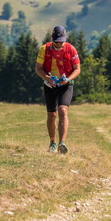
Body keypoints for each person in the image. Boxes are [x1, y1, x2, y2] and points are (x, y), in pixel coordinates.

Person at [35, 26, 81, 154]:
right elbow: (38, 68)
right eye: (56, 42)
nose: (59, 44)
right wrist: (47, 78)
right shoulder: (44, 49)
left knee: (63, 110)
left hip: (66, 84)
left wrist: (68, 79)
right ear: (52, 38)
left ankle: (62, 143)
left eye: (61, 42)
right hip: (50, 85)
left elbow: (77, 69)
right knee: (52, 114)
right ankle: (52, 142)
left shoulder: (71, 49)